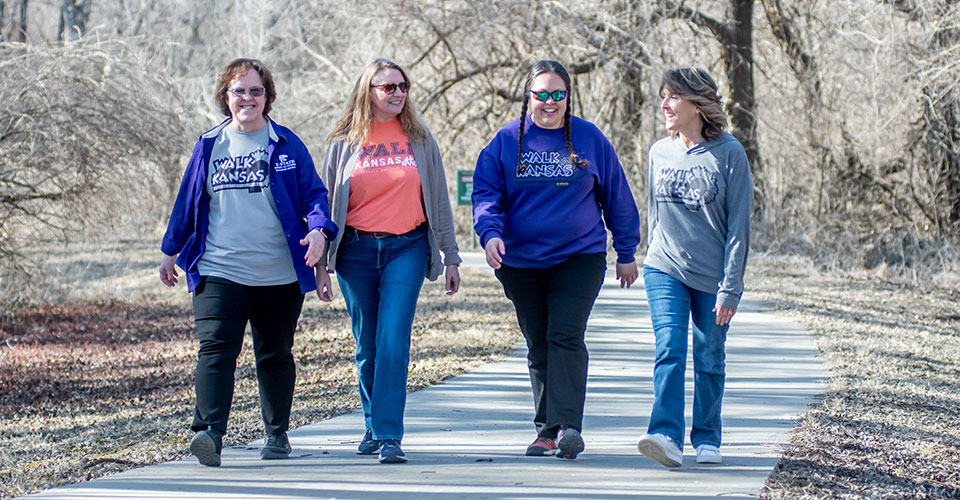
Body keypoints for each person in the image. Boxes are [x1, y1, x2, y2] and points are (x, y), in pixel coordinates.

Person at [159, 58, 337, 467]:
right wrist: (170, 251)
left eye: (256, 91)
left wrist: (318, 233)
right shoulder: (209, 144)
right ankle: (209, 433)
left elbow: (314, 197)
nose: (247, 98)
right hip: (220, 268)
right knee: (216, 349)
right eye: (239, 90)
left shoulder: (286, 143)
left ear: (267, 97)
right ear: (226, 96)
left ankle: (276, 434)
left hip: (278, 272)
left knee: (274, 354)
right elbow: (187, 203)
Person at [472, 60, 641, 460]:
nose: (550, 102)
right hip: (520, 261)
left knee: (564, 334)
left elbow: (616, 194)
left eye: (558, 94)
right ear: (528, 95)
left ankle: (567, 427)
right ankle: (545, 430)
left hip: (578, 255)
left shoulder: (589, 138)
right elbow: (486, 196)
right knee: (538, 342)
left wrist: (627, 250)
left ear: (568, 96)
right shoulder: (505, 142)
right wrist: (490, 234)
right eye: (541, 94)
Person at [318, 58, 461, 464]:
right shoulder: (344, 141)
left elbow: (439, 202)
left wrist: (451, 256)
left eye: (403, 86)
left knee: (392, 340)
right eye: (388, 87)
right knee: (367, 346)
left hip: (407, 248)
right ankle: (372, 424)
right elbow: (325, 206)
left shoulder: (419, 138)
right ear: (368, 91)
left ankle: (389, 435)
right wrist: (322, 264)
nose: (398, 93)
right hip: (355, 252)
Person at [636, 67, 753, 468]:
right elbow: (653, 214)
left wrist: (730, 287)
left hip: (712, 274)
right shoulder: (658, 152)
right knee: (669, 348)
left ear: (697, 104)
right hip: (663, 266)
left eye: (673, 97)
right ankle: (665, 434)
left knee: (709, 356)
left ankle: (706, 437)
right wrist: (647, 254)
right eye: (663, 97)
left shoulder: (730, 153)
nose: (665, 105)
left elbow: (738, 227)